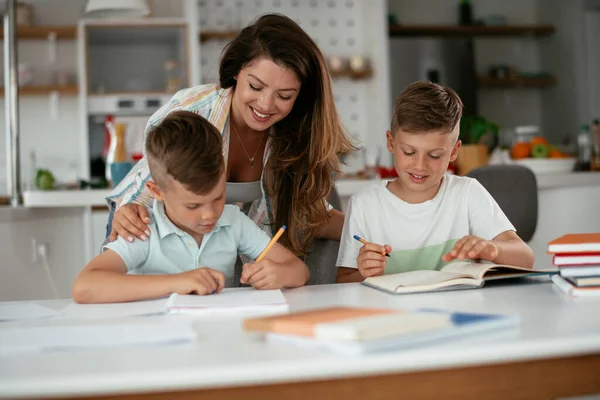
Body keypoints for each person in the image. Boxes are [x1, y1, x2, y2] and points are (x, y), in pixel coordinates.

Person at [105, 14, 355, 282]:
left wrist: (377, 230)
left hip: (233, 251)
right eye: (255, 86)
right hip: (150, 232)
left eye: (284, 96)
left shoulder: (296, 134)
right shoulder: (194, 111)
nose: (266, 104)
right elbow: (154, 182)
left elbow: (309, 212)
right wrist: (129, 212)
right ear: (236, 71)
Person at [73, 111, 309, 304]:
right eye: (193, 205)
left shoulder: (233, 221)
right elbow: (85, 287)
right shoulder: (144, 230)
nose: (209, 214)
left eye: (217, 197)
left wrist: (279, 274)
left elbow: (299, 270)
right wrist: (177, 282)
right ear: (157, 192)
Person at [336, 82, 534, 283]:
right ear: (391, 142)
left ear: (454, 151)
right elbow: (342, 282)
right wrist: (365, 273)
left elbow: (526, 258)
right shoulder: (365, 204)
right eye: (409, 152)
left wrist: (493, 248)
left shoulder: (467, 193)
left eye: (434, 155)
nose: (420, 165)